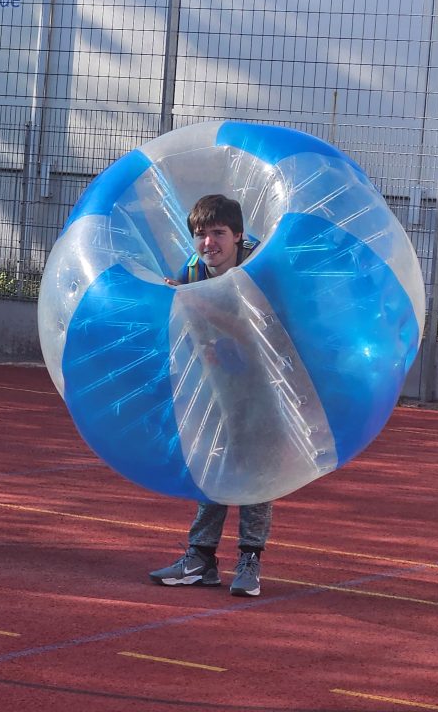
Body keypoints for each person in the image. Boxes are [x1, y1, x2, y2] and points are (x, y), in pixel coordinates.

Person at [150, 193, 267, 596]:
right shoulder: (194, 271)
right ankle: (201, 558)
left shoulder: (259, 268)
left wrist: (196, 306)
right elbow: (185, 325)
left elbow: (259, 330)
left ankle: (250, 558)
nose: (209, 244)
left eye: (218, 234)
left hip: (267, 383)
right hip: (219, 381)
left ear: (238, 236)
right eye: (201, 235)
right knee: (215, 463)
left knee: (255, 469)